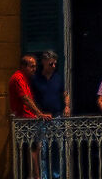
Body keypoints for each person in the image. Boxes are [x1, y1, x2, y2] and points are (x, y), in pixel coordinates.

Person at [32, 50, 68, 179]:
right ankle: (44, 176)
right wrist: (39, 113)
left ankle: (56, 176)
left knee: (58, 148)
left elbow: (65, 93)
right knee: (43, 149)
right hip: (42, 119)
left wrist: (67, 106)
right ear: (44, 62)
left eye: (55, 64)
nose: (53, 66)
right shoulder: (36, 79)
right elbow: (31, 99)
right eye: (51, 64)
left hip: (56, 117)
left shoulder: (58, 78)